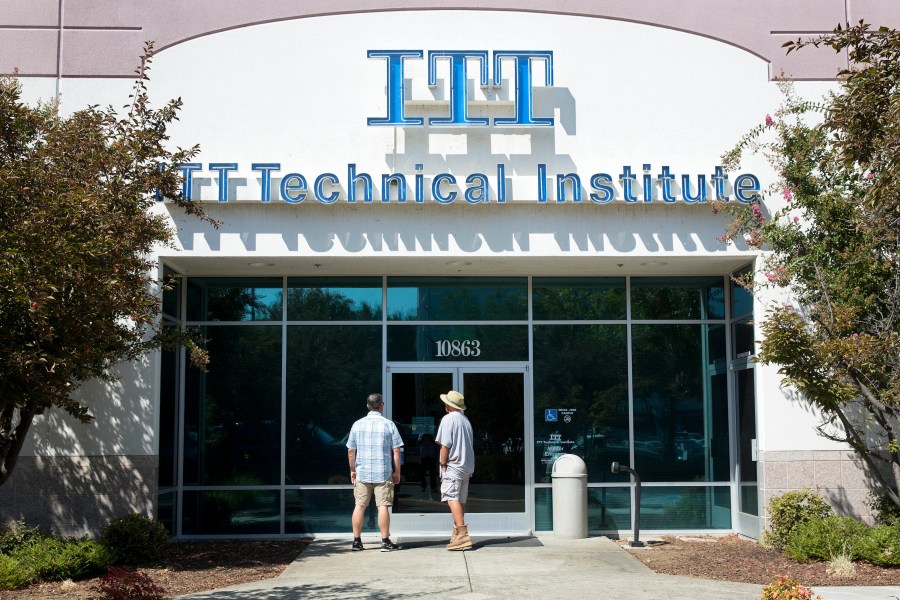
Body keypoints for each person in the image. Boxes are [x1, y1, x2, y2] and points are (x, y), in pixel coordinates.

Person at [346, 393, 403, 552]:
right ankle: (385, 542)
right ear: (382, 406)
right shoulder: (388, 424)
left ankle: (356, 542)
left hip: (362, 472)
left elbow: (351, 450)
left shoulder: (357, 425)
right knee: (383, 506)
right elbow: (397, 450)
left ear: (367, 406)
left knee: (359, 506)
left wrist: (352, 470)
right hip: (383, 472)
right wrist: (397, 471)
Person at [434, 390, 475, 551]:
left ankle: (463, 535)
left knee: (451, 498)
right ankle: (457, 534)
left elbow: (445, 445)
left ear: (448, 405)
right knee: (460, 500)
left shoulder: (448, 419)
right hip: (466, 466)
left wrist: (442, 464)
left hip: (454, 465)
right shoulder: (465, 420)